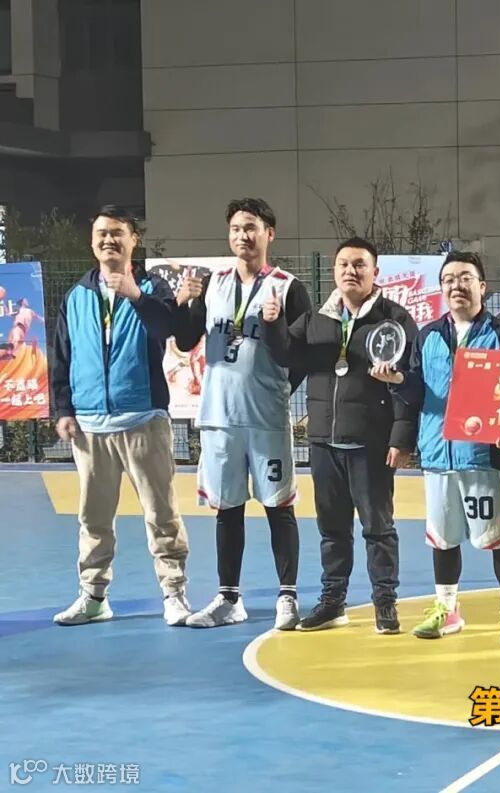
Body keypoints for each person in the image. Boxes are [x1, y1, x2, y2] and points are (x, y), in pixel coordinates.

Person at [263, 237, 417, 633]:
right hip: (324, 443)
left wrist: (401, 438)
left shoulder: (395, 320)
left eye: (360, 264)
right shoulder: (317, 319)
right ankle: (333, 602)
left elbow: (411, 381)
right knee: (332, 530)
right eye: (344, 264)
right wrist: (272, 322)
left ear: (375, 272)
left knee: (378, 529)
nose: (351, 271)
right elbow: (285, 353)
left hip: (371, 444)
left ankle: (385, 603)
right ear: (334, 271)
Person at [373, 251, 500, 644]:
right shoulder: (427, 336)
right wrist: (396, 381)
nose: (456, 286)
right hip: (437, 455)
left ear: (482, 286)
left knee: (498, 536)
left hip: (482, 456)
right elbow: (416, 390)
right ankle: (447, 609)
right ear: (441, 287)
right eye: (449, 279)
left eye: (465, 278)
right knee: (442, 537)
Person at [174, 197, 312, 630]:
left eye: (251, 227)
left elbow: (301, 354)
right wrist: (184, 303)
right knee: (227, 509)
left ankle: (287, 596)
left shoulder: (288, 287)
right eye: (236, 228)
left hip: (266, 418)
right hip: (219, 417)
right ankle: (228, 598)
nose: (242, 236)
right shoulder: (212, 284)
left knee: (278, 507)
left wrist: (279, 389)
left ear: (269, 233)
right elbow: (185, 339)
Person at [49, 205, 191, 626]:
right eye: (102, 233)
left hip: (143, 418)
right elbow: (61, 355)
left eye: (117, 232)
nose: (109, 239)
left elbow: (169, 330)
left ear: (134, 240)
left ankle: (174, 594)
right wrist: (63, 409)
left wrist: (136, 295)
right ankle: (94, 596)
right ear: (92, 241)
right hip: (90, 426)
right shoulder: (76, 295)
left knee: (161, 514)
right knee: (93, 518)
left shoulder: (152, 286)